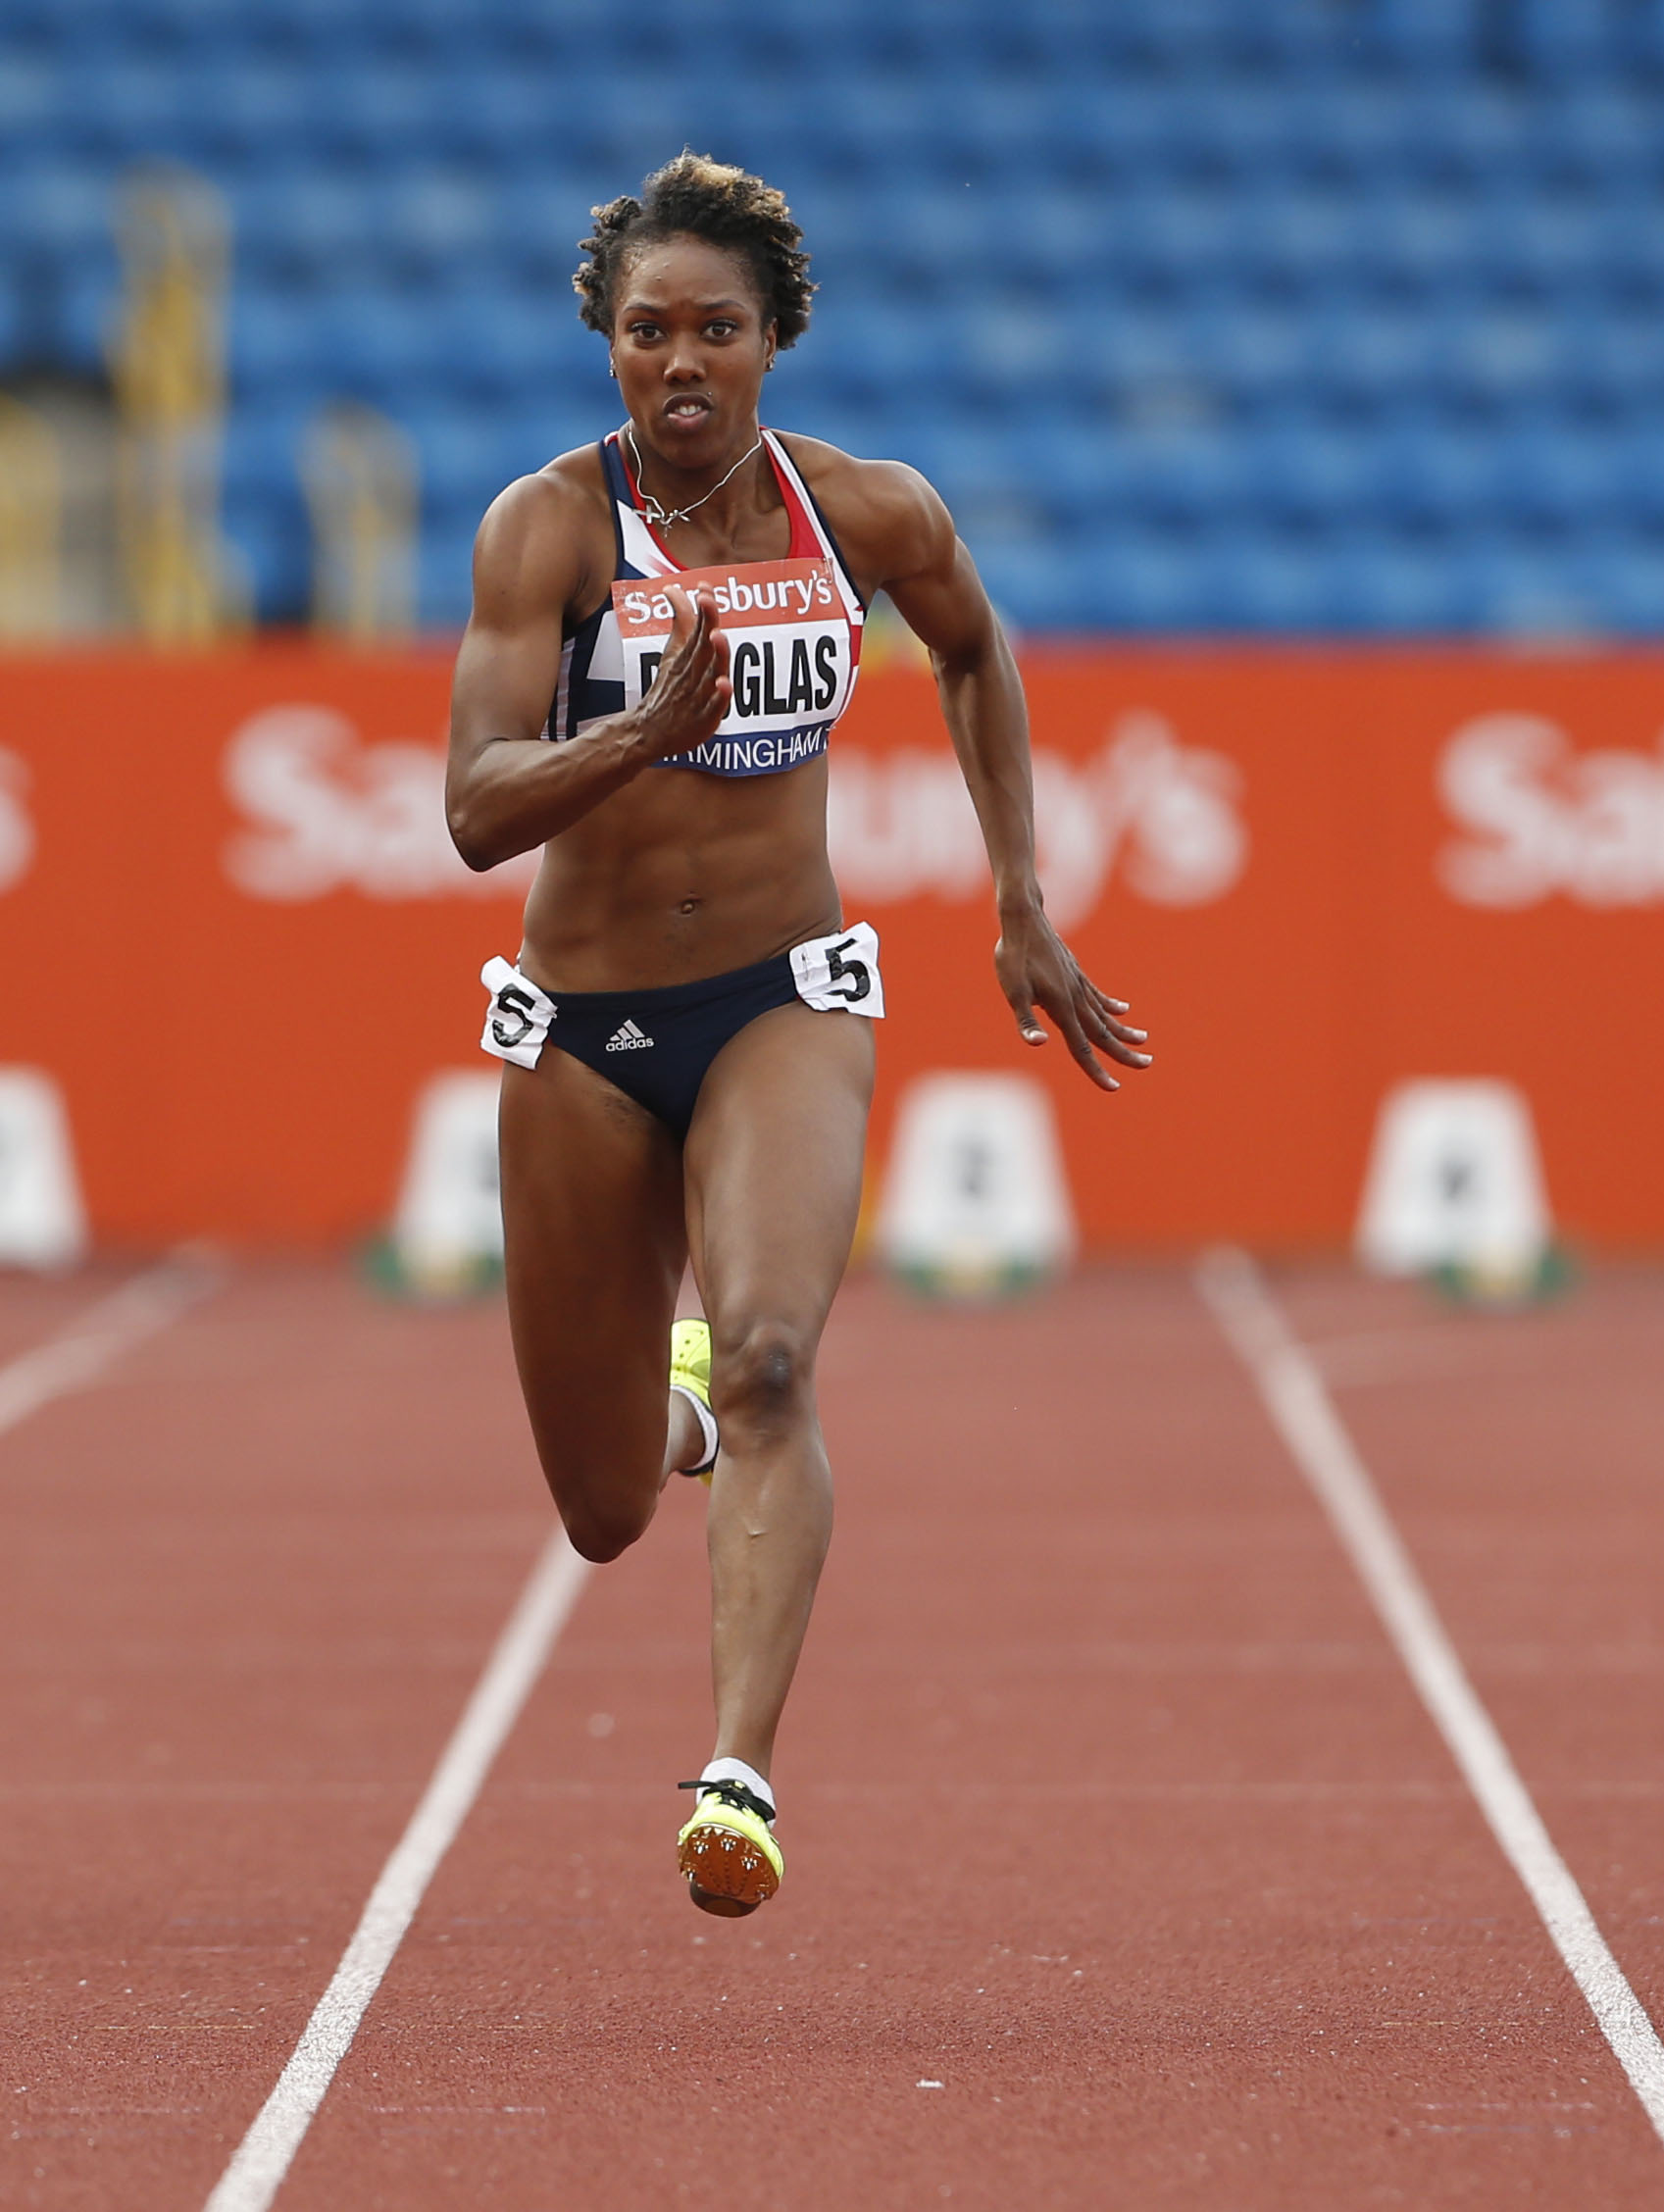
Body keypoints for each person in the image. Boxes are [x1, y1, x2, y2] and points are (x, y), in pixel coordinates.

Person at [443, 154, 1150, 1917]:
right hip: (582, 1032)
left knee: (770, 1353)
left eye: (716, 332)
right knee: (605, 1509)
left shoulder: (868, 514)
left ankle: (737, 1775)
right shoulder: (544, 527)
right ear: (606, 347)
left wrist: (1020, 894)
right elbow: (471, 806)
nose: (679, 366)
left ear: (775, 343)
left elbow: (977, 655)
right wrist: (635, 732)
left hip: (781, 993)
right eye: (645, 334)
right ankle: (664, 1419)